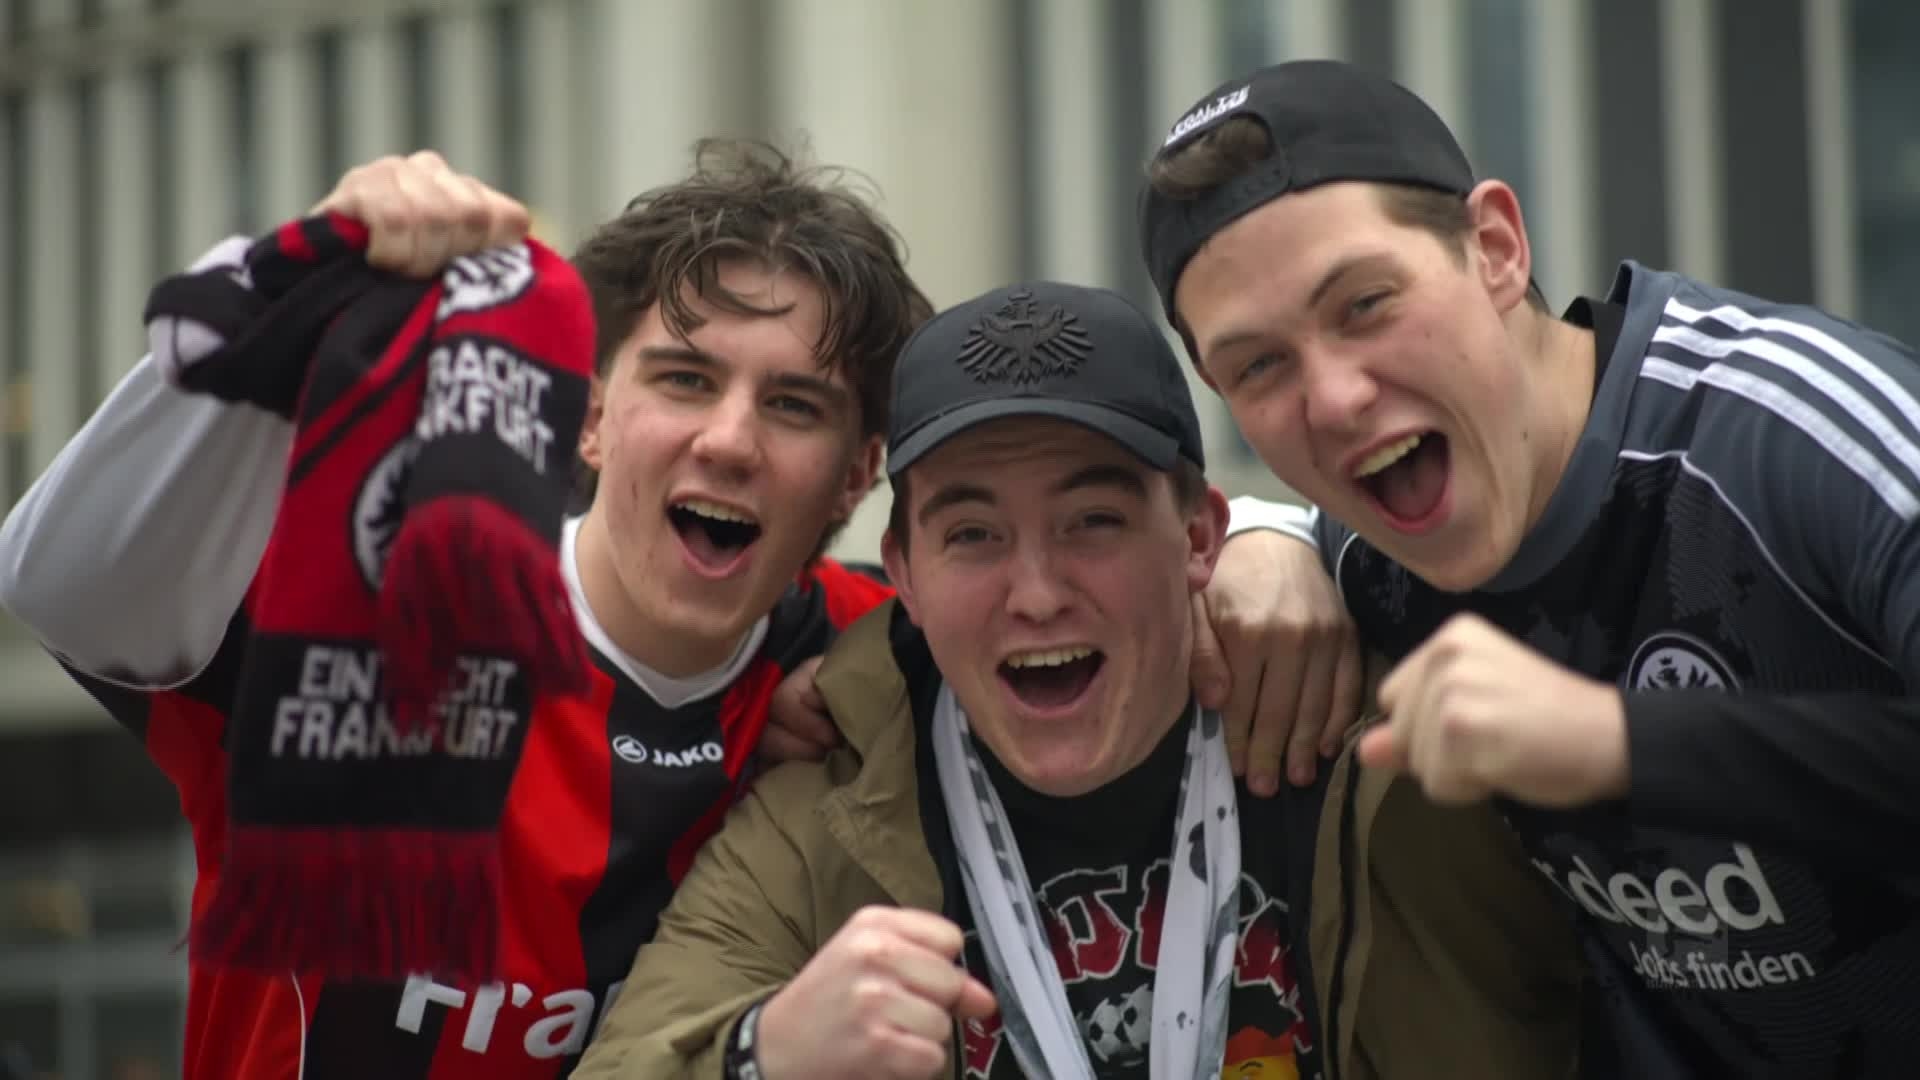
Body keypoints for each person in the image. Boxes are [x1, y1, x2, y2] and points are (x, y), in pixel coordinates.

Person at [0, 146, 1355, 1079]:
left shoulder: (882, 645)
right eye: (684, 380)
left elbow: (1080, 572)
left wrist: (1287, 542)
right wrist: (289, 287)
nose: (728, 441)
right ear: (590, 412)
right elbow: (56, 585)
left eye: (797, 406)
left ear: (859, 474)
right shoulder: (379, 613)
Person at [575, 281, 1578, 1080]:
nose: (1038, 592)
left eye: (1091, 522)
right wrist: (763, 1060)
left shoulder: (1393, 748)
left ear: (1198, 536)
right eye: (973, 536)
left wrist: (1305, 541)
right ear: (906, 574)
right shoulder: (821, 814)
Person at [1140, 57, 1920, 1077]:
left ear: (1497, 248)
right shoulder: (1378, 562)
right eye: (1259, 367)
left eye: (1366, 303)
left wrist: (1614, 742)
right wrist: (1264, 536)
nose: (1331, 399)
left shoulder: (1791, 430)